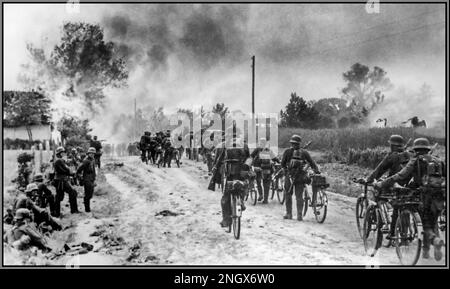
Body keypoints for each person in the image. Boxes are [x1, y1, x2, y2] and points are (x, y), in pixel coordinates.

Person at [376, 138, 445, 261]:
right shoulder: (438, 161)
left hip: (425, 196)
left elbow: (400, 175)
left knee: (426, 224)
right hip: (439, 196)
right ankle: (426, 252)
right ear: (427, 149)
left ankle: (436, 241)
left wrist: (383, 184)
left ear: (416, 150)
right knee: (432, 221)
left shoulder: (416, 161)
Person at [365, 135, 410, 241]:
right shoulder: (408, 154)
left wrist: (370, 179)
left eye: (390, 144)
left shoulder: (392, 156)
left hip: (394, 183)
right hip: (408, 185)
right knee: (405, 205)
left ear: (393, 145)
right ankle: (402, 230)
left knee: (379, 194)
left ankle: (385, 222)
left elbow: (380, 169)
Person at [281, 135, 320, 221]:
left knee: (288, 194)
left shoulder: (287, 151)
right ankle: (299, 215)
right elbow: (312, 163)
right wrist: (317, 171)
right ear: (299, 143)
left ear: (291, 143)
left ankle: (289, 214)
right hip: (300, 176)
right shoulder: (304, 152)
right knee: (299, 196)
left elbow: (282, 164)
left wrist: (286, 171)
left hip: (290, 176)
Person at [218, 135, 250, 227]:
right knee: (243, 186)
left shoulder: (225, 145)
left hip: (230, 174)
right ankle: (242, 202)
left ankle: (226, 220)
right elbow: (249, 158)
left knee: (225, 198)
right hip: (241, 173)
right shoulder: (244, 145)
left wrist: (217, 168)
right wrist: (246, 167)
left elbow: (220, 158)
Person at [251, 138, 280, 204]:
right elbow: (274, 158)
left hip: (259, 168)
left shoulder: (257, 149)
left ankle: (261, 194)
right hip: (268, 169)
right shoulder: (269, 150)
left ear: (260, 143)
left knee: (258, 181)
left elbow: (251, 156)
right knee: (266, 184)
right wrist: (279, 161)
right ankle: (266, 199)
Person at [53, 146, 79, 217]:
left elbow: (65, 171)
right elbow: (66, 170)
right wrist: (72, 173)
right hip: (61, 181)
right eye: (63, 152)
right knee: (72, 192)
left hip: (59, 180)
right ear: (60, 154)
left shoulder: (59, 161)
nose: (64, 154)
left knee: (59, 197)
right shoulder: (60, 161)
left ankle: (56, 213)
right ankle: (74, 210)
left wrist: (72, 173)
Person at [77, 147, 97, 213]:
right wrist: (81, 178)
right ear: (88, 153)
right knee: (87, 194)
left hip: (91, 179)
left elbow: (94, 170)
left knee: (90, 194)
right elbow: (79, 169)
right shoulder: (86, 161)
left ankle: (87, 207)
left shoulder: (92, 160)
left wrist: (94, 179)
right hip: (87, 179)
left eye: (93, 153)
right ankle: (87, 209)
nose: (92, 155)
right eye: (91, 153)